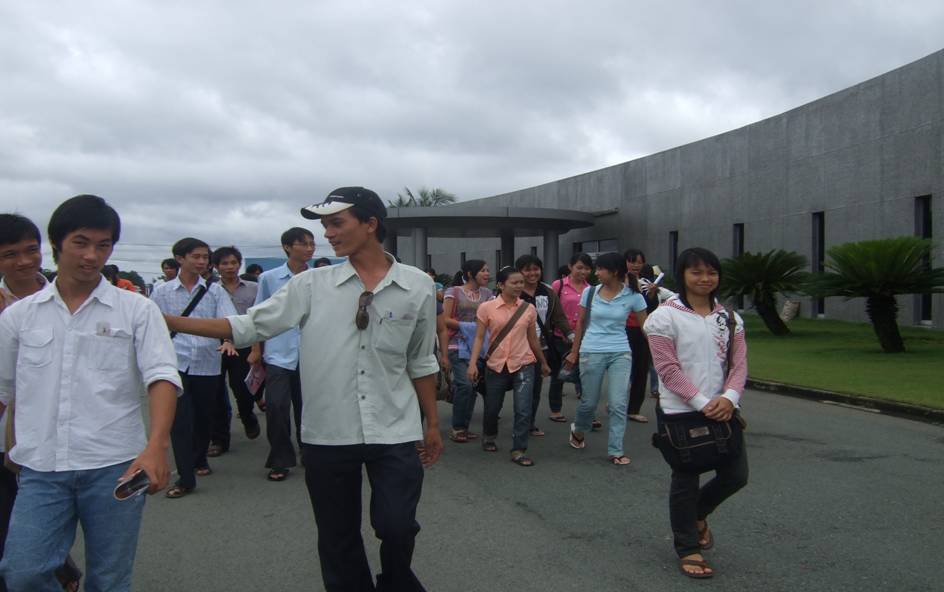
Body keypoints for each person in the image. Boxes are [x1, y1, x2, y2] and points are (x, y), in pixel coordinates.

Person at [163, 186, 442, 591]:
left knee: (398, 525)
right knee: (337, 535)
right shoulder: (311, 285)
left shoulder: (417, 285)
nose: (327, 234)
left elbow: (421, 360)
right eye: (325, 225)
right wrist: (170, 321)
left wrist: (432, 423)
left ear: (370, 224)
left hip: (395, 428)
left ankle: (397, 581)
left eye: (336, 223)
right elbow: (249, 326)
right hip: (328, 432)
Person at [0, 195, 180, 591]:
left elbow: (162, 376)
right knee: (23, 572)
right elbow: (3, 389)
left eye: (103, 245)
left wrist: (156, 446)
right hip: (42, 468)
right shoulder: (19, 317)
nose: (92, 255)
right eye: (80, 243)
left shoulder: (136, 309)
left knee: (109, 579)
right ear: (56, 243)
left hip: (115, 466)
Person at [644, 247, 748, 579]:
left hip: (724, 407)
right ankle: (688, 547)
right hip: (680, 410)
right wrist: (703, 403)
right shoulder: (663, 317)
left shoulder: (729, 318)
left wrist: (729, 398)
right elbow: (667, 369)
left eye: (711, 272)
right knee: (686, 478)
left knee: (736, 475)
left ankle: (697, 515)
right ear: (682, 275)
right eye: (697, 272)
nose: (705, 279)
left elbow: (739, 364)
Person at [0, 214, 83, 592]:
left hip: (53, 431)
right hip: (5, 425)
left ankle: (59, 571)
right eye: (9, 254)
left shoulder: (69, 299)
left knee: (40, 516)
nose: (23, 261)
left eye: (30, 250)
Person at [151, 237, 237, 498]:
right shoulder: (161, 291)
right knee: (179, 421)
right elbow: (152, 325)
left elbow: (229, 320)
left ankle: (199, 458)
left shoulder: (215, 291)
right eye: (196, 256)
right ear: (180, 258)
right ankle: (185, 477)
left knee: (203, 418)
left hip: (207, 363)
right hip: (174, 362)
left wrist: (228, 340)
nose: (201, 261)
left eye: (205, 257)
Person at [565, 252, 648, 465]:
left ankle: (616, 450)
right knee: (589, 403)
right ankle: (578, 429)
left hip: (621, 351)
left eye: (601, 269)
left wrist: (662, 351)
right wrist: (574, 351)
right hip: (591, 350)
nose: (596, 272)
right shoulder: (590, 292)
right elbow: (580, 323)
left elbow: (646, 327)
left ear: (615, 272)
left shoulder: (634, 296)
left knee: (618, 404)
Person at [247, 227, 313, 482]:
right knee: (276, 406)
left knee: (308, 408)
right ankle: (280, 459)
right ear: (287, 247)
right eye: (303, 243)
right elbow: (259, 315)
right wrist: (256, 349)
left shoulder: (318, 278)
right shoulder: (269, 278)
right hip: (278, 354)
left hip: (311, 354)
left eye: (311, 243)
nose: (309, 248)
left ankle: (309, 450)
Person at [467, 266, 550, 466]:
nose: (519, 286)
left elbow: (533, 339)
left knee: (523, 409)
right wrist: (473, 364)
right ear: (501, 285)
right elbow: (479, 337)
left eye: (521, 282)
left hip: (524, 363)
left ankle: (519, 449)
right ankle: (489, 436)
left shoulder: (528, 309)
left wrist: (543, 362)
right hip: (496, 364)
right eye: (514, 282)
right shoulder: (486, 308)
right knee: (492, 407)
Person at [515, 254, 572, 437]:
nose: (532, 273)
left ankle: (528, 424)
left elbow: (558, 316)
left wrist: (569, 334)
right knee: (515, 388)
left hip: (541, 347)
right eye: (527, 270)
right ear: (519, 272)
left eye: (536, 269)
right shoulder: (514, 291)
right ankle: (504, 423)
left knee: (535, 388)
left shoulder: (547, 291)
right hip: (516, 347)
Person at [212, 246, 261, 441]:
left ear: (240, 264)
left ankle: (248, 417)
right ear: (216, 266)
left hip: (244, 344)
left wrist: (256, 349)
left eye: (234, 263)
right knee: (215, 392)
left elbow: (259, 320)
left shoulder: (254, 288)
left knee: (242, 389)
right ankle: (219, 438)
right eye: (224, 263)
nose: (230, 267)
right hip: (216, 345)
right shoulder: (210, 289)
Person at [442, 260, 493, 443]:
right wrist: (472, 327)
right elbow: (444, 320)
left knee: (471, 386)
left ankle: (463, 427)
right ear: (470, 274)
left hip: (479, 346)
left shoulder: (488, 294)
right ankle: (457, 427)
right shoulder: (454, 292)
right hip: (456, 344)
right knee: (464, 384)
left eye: (488, 270)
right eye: (483, 271)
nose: (487, 274)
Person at [548, 253, 595, 424]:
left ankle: (588, 413)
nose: (583, 271)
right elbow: (552, 311)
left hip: (584, 338)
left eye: (587, 268)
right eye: (579, 267)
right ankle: (555, 410)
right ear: (570, 267)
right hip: (561, 337)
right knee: (558, 375)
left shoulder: (591, 289)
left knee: (586, 376)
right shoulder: (558, 285)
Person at [624, 249, 653, 423]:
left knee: (641, 369)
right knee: (622, 369)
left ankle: (634, 409)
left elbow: (651, 307)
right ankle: (617, 402)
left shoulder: (646, 283)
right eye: (632, 261)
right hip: (623, 329)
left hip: (643, 329)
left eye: (640, 262)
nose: (636, 265)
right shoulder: (618, 282)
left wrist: (652, 294)